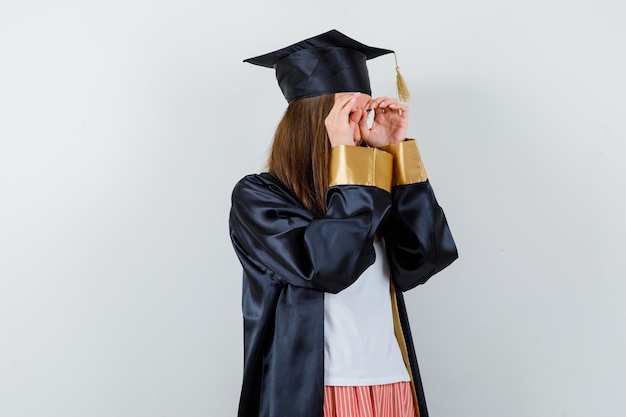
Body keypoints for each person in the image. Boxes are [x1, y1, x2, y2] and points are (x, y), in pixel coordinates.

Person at [229, 29, 458, 417]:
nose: (361, 127)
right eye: (349, 115)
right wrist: (350, 163)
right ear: (314, 121)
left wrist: (395, 152)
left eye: (364, 113)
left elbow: (426, 259)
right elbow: (327, 267)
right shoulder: (259, 197)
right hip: (317, 392)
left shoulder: (369, 190)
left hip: (390, 384)